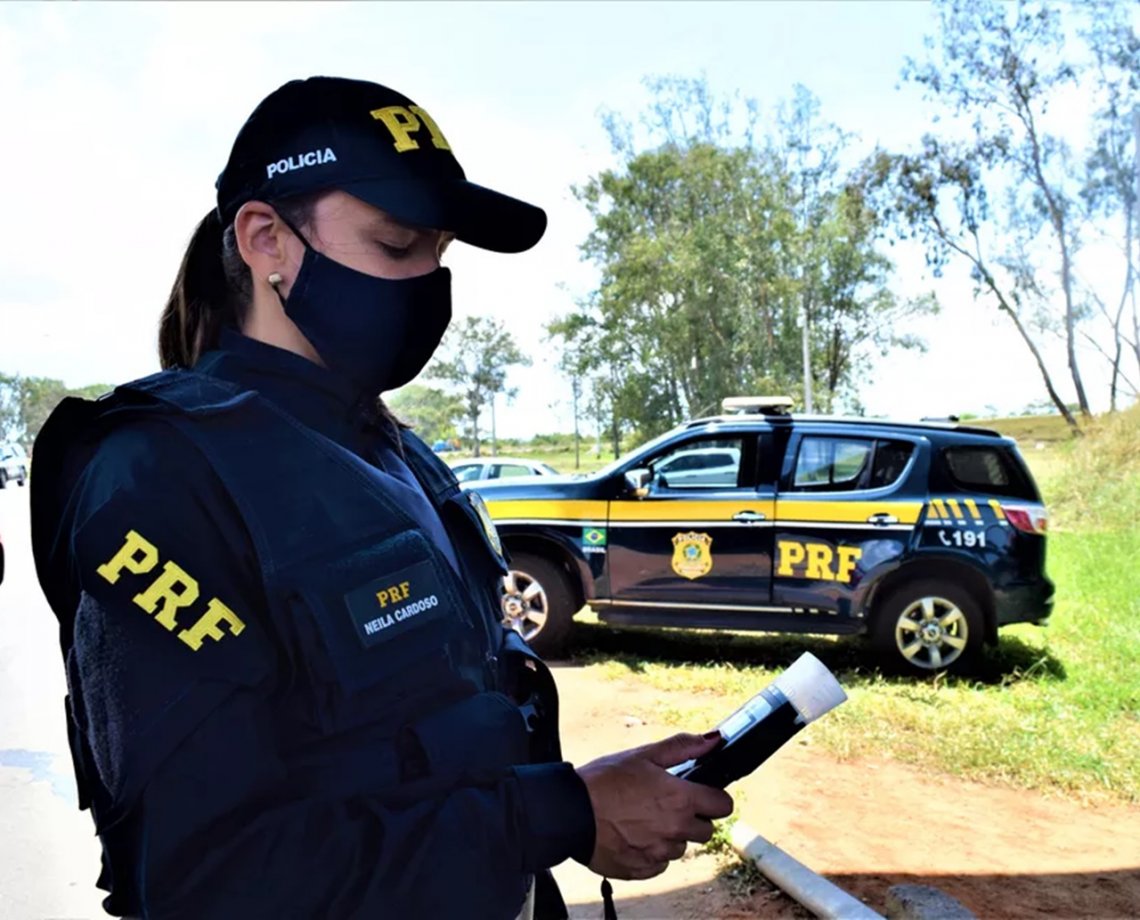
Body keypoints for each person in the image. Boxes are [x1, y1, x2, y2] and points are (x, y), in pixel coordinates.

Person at [30, 76, 732, 919]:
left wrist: (576, 802)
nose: (427, 282)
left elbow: (440, 732)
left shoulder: (400, 455)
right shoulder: (161, 475)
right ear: (267, 241)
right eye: (397, 245)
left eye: (439, 252)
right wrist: (555, 814)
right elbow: (210, 878)